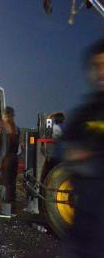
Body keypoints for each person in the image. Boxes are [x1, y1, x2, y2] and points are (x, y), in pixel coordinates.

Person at [61, 38, 104, 258]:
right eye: (97, 66)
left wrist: (87, 156)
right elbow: (64, 150)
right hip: (83, 228)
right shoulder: (85, 113)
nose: (101, 72)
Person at [0, 106, 20, 218]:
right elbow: (19, 148)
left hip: (6, 160)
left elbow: (3, 148)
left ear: (5, 115)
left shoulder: (4, 128)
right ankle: (13, 211)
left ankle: (6, 212)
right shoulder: (16, 128)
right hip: (14, 160)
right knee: (12, 185)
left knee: (4, 185)